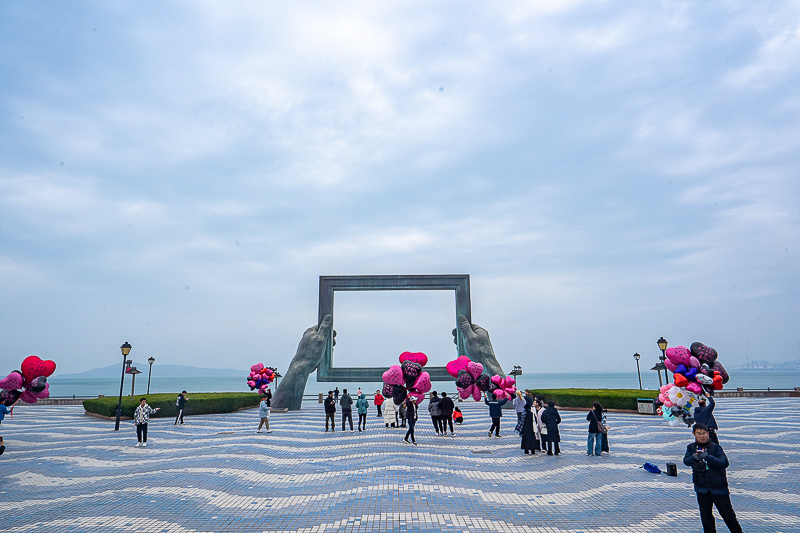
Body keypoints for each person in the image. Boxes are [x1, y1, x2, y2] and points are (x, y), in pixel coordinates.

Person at [683, 423, 743, 533]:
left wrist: (708, 457)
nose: (702, 436)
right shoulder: (691, 447)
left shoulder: (716, 447)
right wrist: (694, 457)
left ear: (708, 433)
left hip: (718, 488)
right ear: (694, 434)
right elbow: (686, 461)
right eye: (699, 434)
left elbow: (724, 463)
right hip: (701, 488)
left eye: (704, 433)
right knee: (706, 517)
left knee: (728, 516)